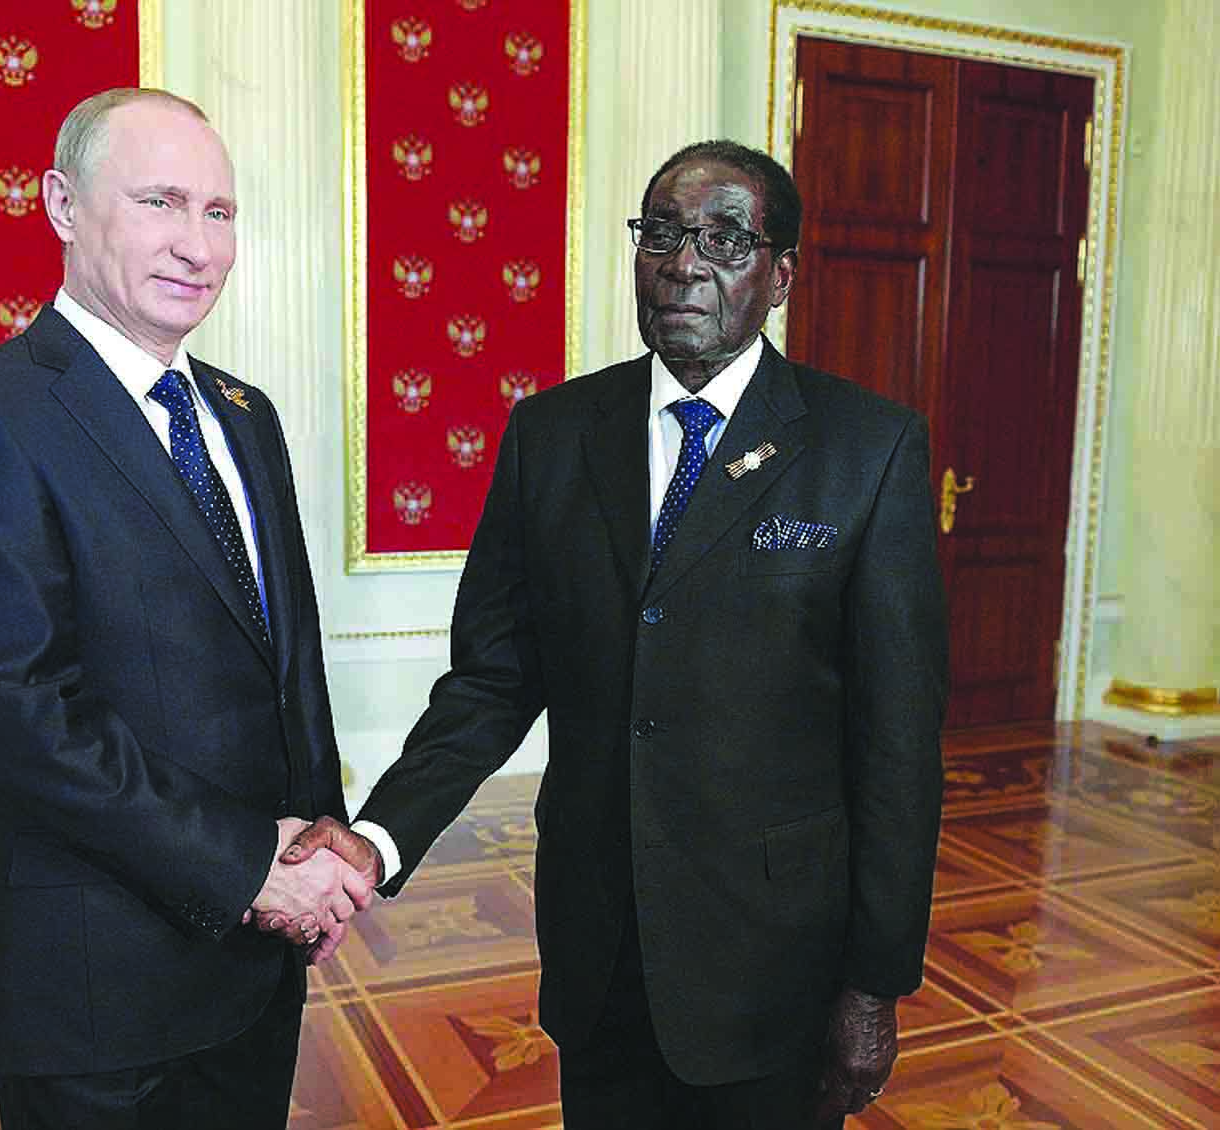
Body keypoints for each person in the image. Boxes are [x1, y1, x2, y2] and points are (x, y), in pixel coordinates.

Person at [282, 140, 948, 1128]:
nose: (685, 265)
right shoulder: (552, 434)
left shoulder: (867, 448)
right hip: (599, 946)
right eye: (663, 234)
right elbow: (493, 679)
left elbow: (897, 746)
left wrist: (874, 982)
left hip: (773, 964)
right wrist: (379, 837)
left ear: (781, 274)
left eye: (725, 240)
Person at [0, 88, 369, 1130]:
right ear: (62, 205)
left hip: (256, 960)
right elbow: (21, 715)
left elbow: (286, 662)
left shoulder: (245, 414)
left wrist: (320, 849)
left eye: (219, 211)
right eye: (160, 202)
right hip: (99, 986)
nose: (198, 245)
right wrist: (246, 868)